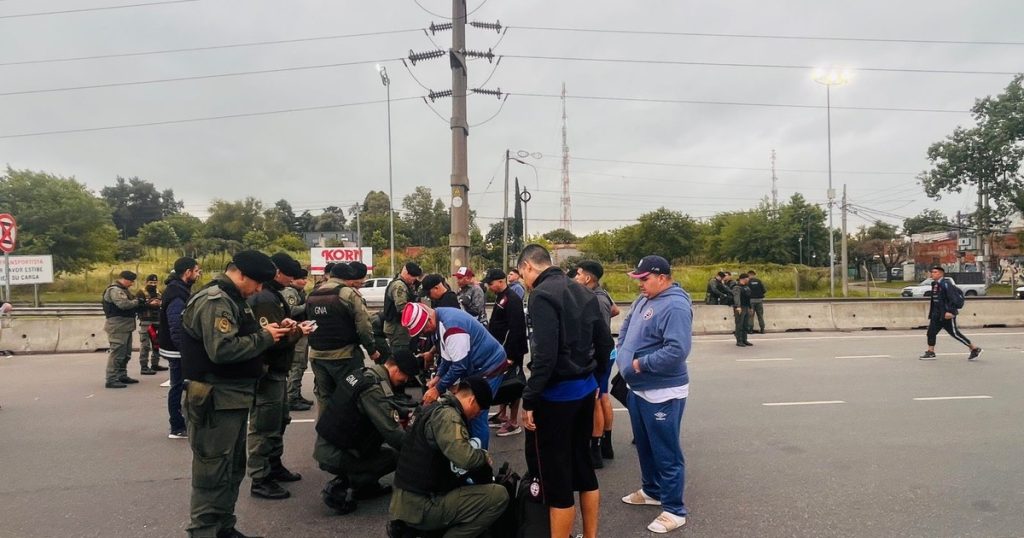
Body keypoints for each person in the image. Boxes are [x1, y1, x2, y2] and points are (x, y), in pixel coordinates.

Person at [180, 250, 291, 538]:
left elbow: (243, 335)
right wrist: (266, 338)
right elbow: (222, 349)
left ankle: (223, 527)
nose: (259, 290)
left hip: (233, 398)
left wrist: (274, 330)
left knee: (231, 470)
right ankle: (205, 531)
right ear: (240, 273)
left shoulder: (233, 299)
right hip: (216, 399)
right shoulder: (215, 300)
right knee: (212, 473)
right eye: (256, 283)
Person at [516, 244, 612, 538]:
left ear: (529, 267)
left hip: (556, 397)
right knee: (584, 469)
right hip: (584, 391)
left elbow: (544, 356)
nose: (523, 281)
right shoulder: (583, 291)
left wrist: (529, 399)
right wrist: (596, 382)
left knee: (557, 483)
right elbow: (606, 344)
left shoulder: (541, 295)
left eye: (522, 275)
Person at [616, 255, 692, 534]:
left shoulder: (675, 304)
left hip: (663, 390)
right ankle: (652, 490)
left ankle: (674, 509)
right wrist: (623, 353)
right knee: (645, 446)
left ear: (662, 277)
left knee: (666, 451)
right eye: (638, 279)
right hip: (638, 387)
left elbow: (677, 350)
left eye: (644, 279)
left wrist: (639, 363)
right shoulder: (645, 299)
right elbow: (626, 329)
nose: (640, 284)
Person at [388, 377, 509, 538]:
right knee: (498, 496)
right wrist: (483, 456)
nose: (476, 416)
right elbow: (465, 459)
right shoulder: (448, 416)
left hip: (405, 501)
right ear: (472, 400)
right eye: (479, 411)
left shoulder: (431, 408)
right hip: (422, 506)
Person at [305, 262, 382, 496]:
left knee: (325, 400)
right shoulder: (348, 294)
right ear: (346, 278)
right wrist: (372, 349)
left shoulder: (314, 293)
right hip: (344, 356)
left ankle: (327, 442)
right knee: (352, 400)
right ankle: (351, 447)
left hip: (317, 356)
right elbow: (364, 325)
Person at [316, 348, 421, 514]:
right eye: (405, 376)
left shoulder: (365, 374)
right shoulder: (373, 389)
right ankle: (341, 486)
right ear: (395, 369)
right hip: (335, 453)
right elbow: (394, 434)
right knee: (395, 455)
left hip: (331, 443)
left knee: (379, 444)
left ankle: (367, 486)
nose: (406, 380)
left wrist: (406, 413)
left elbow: (384, 406)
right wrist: (420, 451)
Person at [246, 252, 310, 500]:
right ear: (277, 272)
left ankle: (274, 465)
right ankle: (260, 477)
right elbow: (272, 338)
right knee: (264, 426)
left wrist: (289, 327)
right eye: (289, 275)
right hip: (268, 370)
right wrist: (297, 332)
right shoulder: (264, 297)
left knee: (279, 420)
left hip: (277, 370)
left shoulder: (273, 295)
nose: (292, 279)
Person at [401, 302, 507, 449]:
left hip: (490, 366)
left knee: (477, 413)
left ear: (429, 320)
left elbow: (459, 365)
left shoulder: (452, 327)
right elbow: (447, 356)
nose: (423, 334)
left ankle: (480, 462)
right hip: (475, 367)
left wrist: (437, 389)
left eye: (423, 330)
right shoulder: (438, 320)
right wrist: (438, 378)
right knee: (466, 412)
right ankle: (468, 452)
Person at [574, 260, 620, 467]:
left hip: (598, 354)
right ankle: (606, 445)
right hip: (605, 352)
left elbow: (597, 331)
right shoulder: (603, 295)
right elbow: (616, 310)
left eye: (578, 274)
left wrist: (589, 357)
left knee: (597, 400)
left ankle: (596, 447)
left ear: (588, 278)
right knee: (602, 396)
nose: (576, 277)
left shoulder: (595, 299)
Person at [482, 268, 528, 437]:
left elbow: (516, 329)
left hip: (511, 351)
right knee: (502, 382)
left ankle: (513, 422)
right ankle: (502, 414)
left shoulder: (513, 299)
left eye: (491, 283)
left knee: (513, 383)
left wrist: (511, 356)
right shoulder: (502, 297)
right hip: (500, 349)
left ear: (501, 281)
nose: (489, 286)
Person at [158, 257, 201, 439]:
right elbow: (176, 324)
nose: (199, 275)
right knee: (178, 385)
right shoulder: (176, 292)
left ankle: (182, 422)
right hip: (176, 348)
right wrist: (185, 349)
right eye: (197, 271)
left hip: (177, 346)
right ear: (188, 272)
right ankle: (177, 426)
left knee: (181, 384)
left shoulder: (179, 289)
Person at [919, 265, 982, 361]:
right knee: (931, 332)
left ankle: (974, 348)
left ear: (940, 274)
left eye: (935, 272)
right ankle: (930, 352)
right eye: (932, 272)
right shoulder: (935, 284)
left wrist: (950, 312)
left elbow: (954, 299)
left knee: (955, 333)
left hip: (946, 314)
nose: (932, 274)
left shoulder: (946, 284)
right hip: (936, 314)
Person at [103, 270, 143, 389]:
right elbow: (123, 305)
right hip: (117, 326)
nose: (132, 284)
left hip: (125, 326)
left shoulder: (123, 290)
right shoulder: (115, 290)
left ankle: (121, 374)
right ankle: (111, 378)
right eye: (131, 281)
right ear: (124, 279)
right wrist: (137, 302)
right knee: (117, 353)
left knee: (125, 353)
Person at [283, 269, 314, 411]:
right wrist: (307, 304)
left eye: (305, 278)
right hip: (296, 332)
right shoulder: (290, 291)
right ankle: (292, 398)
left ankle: (296, 394)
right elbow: (291, 310)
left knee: (301, 365)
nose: (304, 281)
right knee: (297, 365)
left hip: (302, 331)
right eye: (301, 278)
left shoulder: (299, 292)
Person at [383, 262, 423, 357]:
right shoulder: (399, 286)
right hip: (398, 329)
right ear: (405, 272)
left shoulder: (405, 284)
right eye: (413, 276)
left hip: (399, 328)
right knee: (400, 356)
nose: (414, 279)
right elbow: (402, 308)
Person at [136, 274, 165, 375]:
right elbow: (138, 306)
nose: (153, 284)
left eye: (155, 283)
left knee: (157, 344)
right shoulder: (141, 293)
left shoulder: (159, 293)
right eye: (151, 283)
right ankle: (144, 366)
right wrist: (149, 304)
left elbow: (164, 303)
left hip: (157, 320)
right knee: (145, 345)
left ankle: (155, 364)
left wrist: (159, 303)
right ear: (146, 282)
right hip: (145, 321)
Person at [732, 273, 753, 347]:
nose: (748, 279)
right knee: (739, 324)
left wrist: (750, 307)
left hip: (746, 307)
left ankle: (744, 339)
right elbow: (736, 297)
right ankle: (739, 340)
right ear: (743, 279)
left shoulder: (746, 287)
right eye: (747, 278)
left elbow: (748, 298)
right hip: (740, 308)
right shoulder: (737, 287)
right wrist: (738, 306)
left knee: (745, 325)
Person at [745, 269, 768, 334]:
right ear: (754, 275)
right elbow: (764, 290)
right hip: (759, 300)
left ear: (749, 275)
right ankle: (762, 329)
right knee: (760, 315)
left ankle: (750, 330)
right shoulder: (759, 281)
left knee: (751, 316)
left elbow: (746, 291)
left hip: (751, 300)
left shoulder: (748, 282)